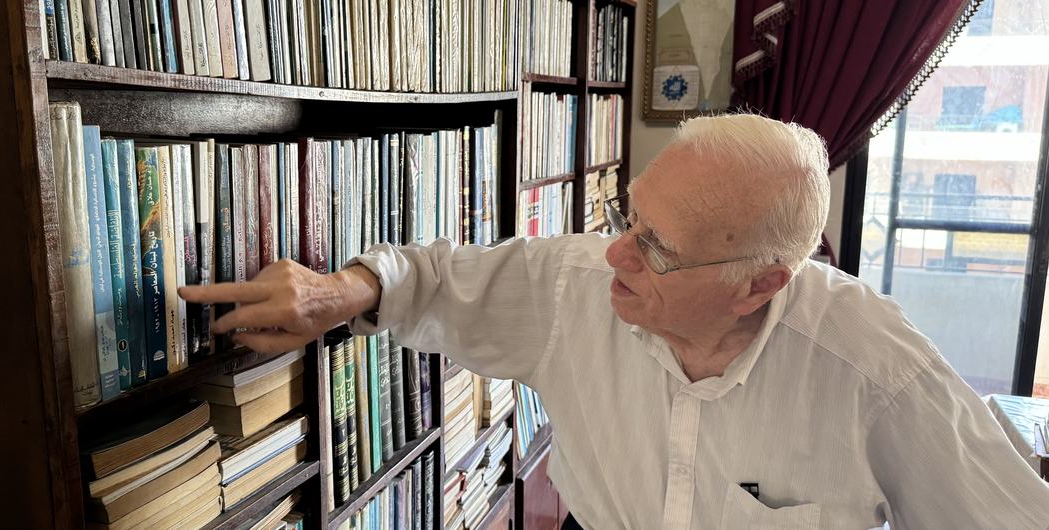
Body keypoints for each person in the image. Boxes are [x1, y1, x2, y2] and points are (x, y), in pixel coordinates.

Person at [180, 114, 1049, 529]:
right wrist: (344, 290)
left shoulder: (876, 366)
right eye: (629, 219)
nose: (618, 257)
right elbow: (437, 278)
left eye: (659, 248)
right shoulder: (580, 284)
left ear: (761, 285)